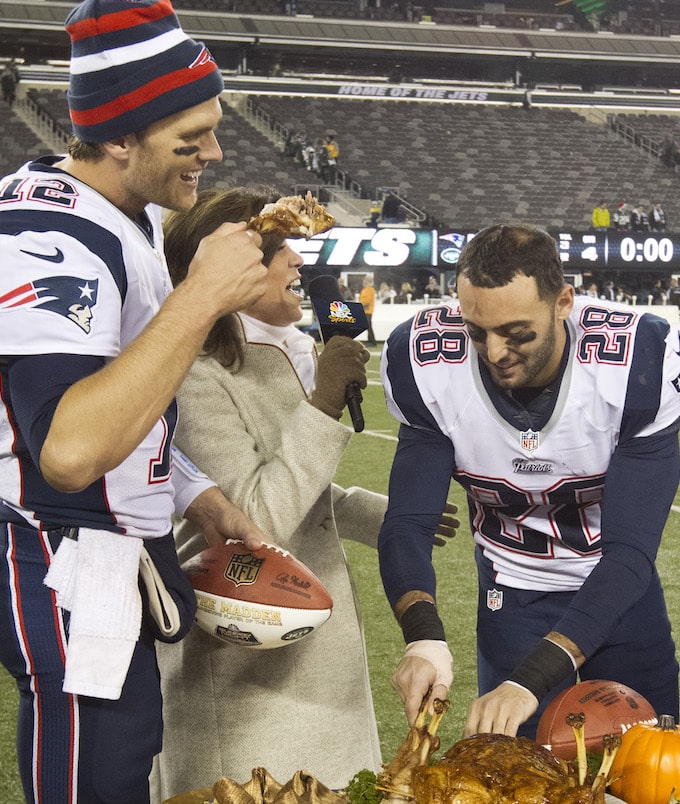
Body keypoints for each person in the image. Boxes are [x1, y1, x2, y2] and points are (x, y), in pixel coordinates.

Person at [0, 1, 274, 800]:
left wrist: (198, 496)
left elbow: (126, 402)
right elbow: (70, 448)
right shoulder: (37, 232)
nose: (213, 153)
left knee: (120, 768)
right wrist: (200, 298)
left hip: (105, 556)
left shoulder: (122, 216)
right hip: (69, 567)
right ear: (121, 136)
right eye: (189, 139)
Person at [151, 188, 457, 795]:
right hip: (247, 675)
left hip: (310, 665)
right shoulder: (189, 373)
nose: (297, 262)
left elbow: (301, 489)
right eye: (277, 250)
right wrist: (322, 403)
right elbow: (255, 518)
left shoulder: (266, 356)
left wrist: (382, 517)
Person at [379, 223, 680, 739]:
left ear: (563, 302)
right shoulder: (426, 363)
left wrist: (528, 681)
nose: (495, 352)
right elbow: (407, 525)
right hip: (512, 591)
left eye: (516, 333)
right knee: (515, 778)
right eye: (477, 331)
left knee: (647, 768)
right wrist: (423, 639)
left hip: (616, 593)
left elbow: (630, 554)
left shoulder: (637, 363)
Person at [359, 273, 379, 345]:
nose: (364, 281)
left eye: (366, 280)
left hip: (368, 310)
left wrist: (360, 303)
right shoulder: (364, 289)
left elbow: (367, 300)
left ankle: (372, 341)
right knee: (368, 326)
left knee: (369, 326)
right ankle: (371, 340)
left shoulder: (370, 289)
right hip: (365, 310)